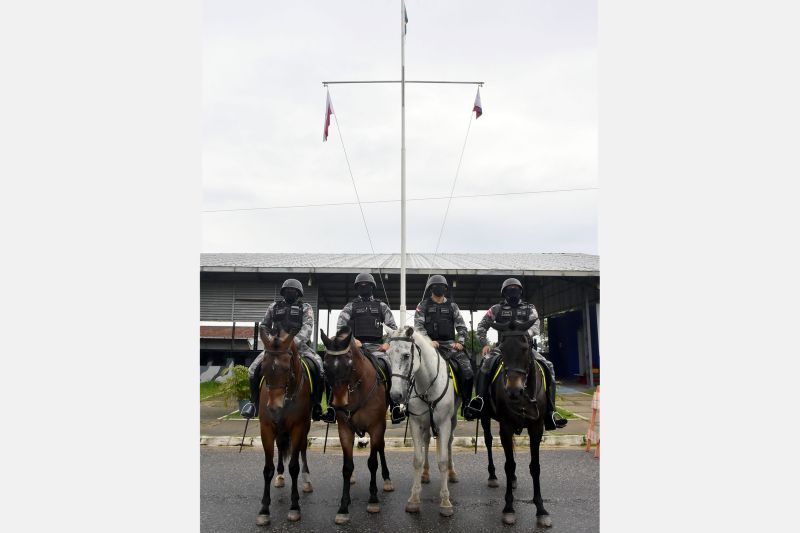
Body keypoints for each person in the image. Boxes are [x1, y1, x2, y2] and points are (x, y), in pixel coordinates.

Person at [464, 278, 568, 430]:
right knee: (485, 365)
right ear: (504, 292)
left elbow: (536, 326)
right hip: (503, 348)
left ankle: (551, 411)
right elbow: (482, 326)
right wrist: (485, 343)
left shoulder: (529, 308)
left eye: (516, 288)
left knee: (549, 366)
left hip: (524, 348)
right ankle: (480, 400)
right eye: (509, 289)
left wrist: (524, 335)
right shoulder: (496, 309)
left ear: (520, 291)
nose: (513, 291)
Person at [320, 272, 405, 424]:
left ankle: (395, 407)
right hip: (354, 348)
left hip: (377, 348)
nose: (364, 287)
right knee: (333, 368)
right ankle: (332, 408)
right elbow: (341, 327)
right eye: (360, 286)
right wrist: (352, 340)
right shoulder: (350, 306)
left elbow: (392, 327)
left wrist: (387, 343)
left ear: (372, 287)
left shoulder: (382, 306)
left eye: (367, 285)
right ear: (357, 288)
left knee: (389, 366)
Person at [240, 279, 324, 421]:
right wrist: (269, 342)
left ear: (299, 293)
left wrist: (291, 343)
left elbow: (307, 327)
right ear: (283, 293)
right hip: (275, 348)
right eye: (286, 290)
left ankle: (316, 405)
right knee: (252, 370)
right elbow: (264, 326)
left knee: (320, 368)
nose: (289, 292)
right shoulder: (273, 306)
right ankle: (253, 403)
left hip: (300, 348)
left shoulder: (306, 307)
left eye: (293, 290)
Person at [413, 275, 474, 417]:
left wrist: (460, 342)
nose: (439, 288)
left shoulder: (453, 306)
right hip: (429, 346)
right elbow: (418, 327)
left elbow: (462, 327)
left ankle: (467, 405)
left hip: (450, 346)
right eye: (435, 286)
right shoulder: (422, 306)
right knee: (410, 368)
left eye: (442, 286)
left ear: (446, 289)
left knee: (468, 372)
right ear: (430, 289)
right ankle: (404, 404)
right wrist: (428, 341)